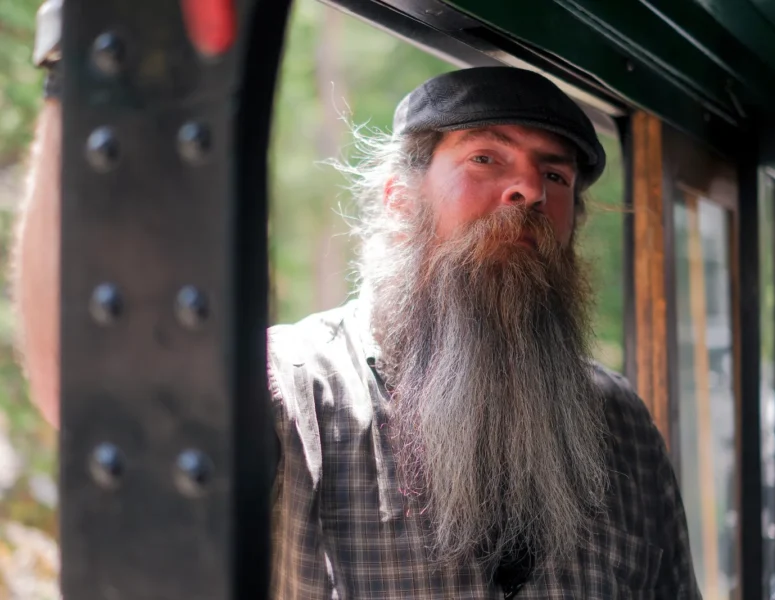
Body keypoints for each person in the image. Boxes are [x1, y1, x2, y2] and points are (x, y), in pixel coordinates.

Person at [12, 36, 701, 598]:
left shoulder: (621, 427)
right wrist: (78, 59)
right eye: (486, 158)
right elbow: (84, 392)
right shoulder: (292, 391)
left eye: (554, 176)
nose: (526, 187)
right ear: (400, 198)